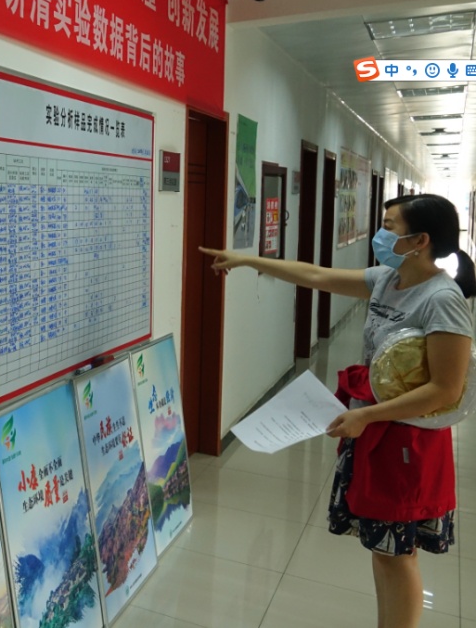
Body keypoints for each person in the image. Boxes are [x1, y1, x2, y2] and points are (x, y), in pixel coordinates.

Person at [202, 194, 475, 628]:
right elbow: (315, 275)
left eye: (389, 226)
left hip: (407, 439)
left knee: (398, 553)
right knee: (382, 549)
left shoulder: (442, 299)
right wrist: (248, 260)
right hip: (373, 428)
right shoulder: (387, 279)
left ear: (419, 240)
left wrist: (366, 416)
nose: (381, 234)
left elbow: (446, 389)